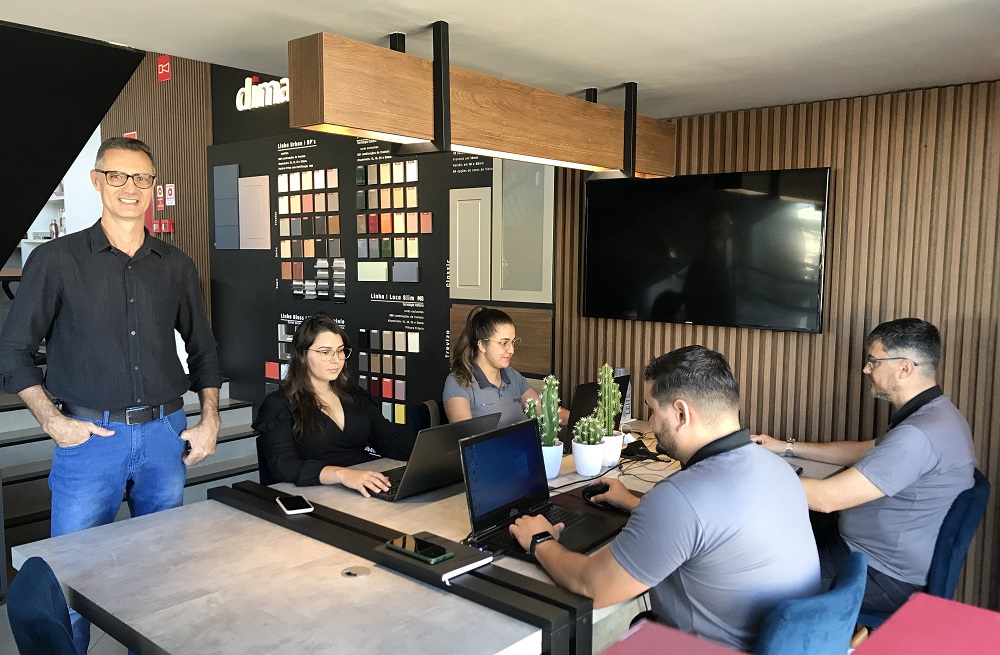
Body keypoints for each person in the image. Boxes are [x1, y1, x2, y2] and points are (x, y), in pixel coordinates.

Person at [0, 136, 222, 655]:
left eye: (141, 178)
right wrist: (52, 421)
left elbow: (204, 347)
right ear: (97, 180)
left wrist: (210, 418)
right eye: (117, 175)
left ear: (153, 187)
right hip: (89, 439)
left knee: (161, 568)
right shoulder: (56, 260)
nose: (130, 187)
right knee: (74, 575)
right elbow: (13, 350)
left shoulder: (175, 264)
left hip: (166, 436)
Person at [509, 345, 819, 652]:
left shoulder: (680, 498)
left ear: (681, 413)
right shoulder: (780, 469)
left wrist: (540, 540)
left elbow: (593, 586)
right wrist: (635, 503)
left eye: (653, 410)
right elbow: (713, 526)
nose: (651, 422)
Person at [753, 318, 976, 616]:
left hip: (878, 573)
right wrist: (785, 447)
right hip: (865, 551)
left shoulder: (918, 435)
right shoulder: (935, 415)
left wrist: (750, 474)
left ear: (905, 368)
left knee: (757, 580)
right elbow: (865, 449)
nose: (866, 369)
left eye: (874, 361)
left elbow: (827, 499)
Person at [254, 312, 416, 495]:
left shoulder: (354, 395)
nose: (336, 359)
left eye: (340, 350)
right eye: (325, 352)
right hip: (317, 492)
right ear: (302, 355)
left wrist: (428, 454)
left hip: (362, 486)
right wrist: (342, 474)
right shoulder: (279, 404)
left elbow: (389, 440)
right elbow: (283, 465)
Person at [443, 306, 568, 428]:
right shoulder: (458, 383)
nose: (511, 350)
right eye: (504, 343)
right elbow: (466, 438)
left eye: (513, 342)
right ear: (482, 345)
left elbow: (546, 412)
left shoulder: (512, 375)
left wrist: (577, 420)